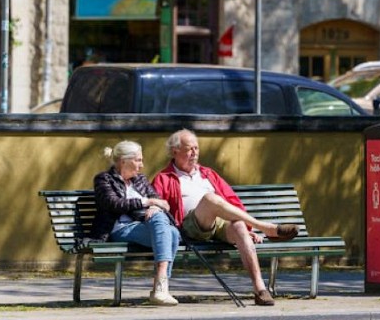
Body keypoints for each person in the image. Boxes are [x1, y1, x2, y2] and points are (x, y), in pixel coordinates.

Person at [152, 129, 299, 306]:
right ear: (175, 151)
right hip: (190, 226)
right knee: (210, 198)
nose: (195, 153)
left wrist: (247, 230)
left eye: (197, 148)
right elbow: (158, 207)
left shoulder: (208, 173)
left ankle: (260, 290)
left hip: (218, 223)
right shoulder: (164, 177)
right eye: (189, 149)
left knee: (238, 226)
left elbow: (232, 201)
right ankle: (267, 227)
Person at [90, 140, 180, 306]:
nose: (142, 165)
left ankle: (160, 287)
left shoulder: (140, 180)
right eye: (138, 160)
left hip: (144, 226)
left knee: (171, 230)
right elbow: (114, 204)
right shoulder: (104, 179)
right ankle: (160, 288)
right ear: (124, 161)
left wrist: (156, 207)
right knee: (170, 232)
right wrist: (146, 202)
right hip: (119, 229)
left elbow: (162, 203)